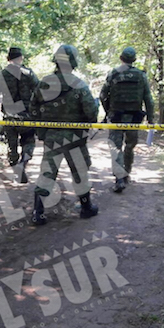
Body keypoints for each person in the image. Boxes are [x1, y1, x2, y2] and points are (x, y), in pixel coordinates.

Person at [29, 44, 99, 225]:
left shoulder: (44, 83)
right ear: (73, 61)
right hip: (75, 138)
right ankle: (86, 208)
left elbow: (33, 109)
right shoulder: (79, 84)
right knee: (80, 172)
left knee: (47, 173)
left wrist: (41, 130)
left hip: (52, 136)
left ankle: (38, 212)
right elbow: (91, 113)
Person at [99, 47, 154, 193]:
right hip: (133, 117)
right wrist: (151, 118)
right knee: (130, 146)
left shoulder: (114, 73)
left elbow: (102, 95)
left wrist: (108, 112)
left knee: (116, 148)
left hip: (116, 116)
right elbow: (148, 98)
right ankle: (126, 174)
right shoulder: (140, 75)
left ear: (121, 58)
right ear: (134, 60)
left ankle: (119, 178)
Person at [0, 47, 39, 183]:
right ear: (21, 58)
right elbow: (40, 93)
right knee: (29, 142)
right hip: (27, 116)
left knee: (12, 146)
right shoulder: (29, 74)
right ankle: (23, 163)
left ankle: (16, 168)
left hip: (9, 117)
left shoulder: (1, 75)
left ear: (8, 59)